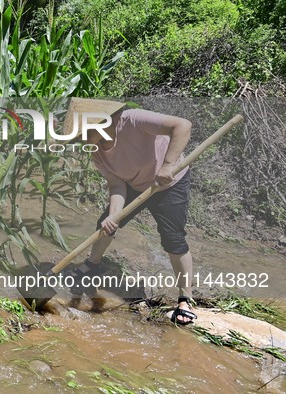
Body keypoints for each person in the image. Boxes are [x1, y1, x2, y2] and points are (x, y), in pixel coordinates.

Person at [69, 100, 197, 325]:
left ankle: (185, 299)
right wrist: (114, 215)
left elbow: (182, 125)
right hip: (134, 186)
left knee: (173, 239)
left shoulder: (133, 120)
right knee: (105, 224)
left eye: (82, 135)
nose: (80, 141)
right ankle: (93, 263)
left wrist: (167, 165)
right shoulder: (97, 153)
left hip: (169, 184)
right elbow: (117, 186)